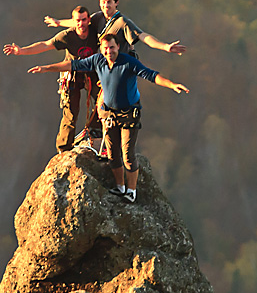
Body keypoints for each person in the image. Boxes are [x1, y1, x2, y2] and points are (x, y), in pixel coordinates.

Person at [27, 33, 189, 202]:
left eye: (112, 47)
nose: (109, 51)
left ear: (118, 46)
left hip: (128, 114)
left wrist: (172, 85)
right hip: (109, 114)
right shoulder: (98, 60)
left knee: (127, 154)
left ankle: (131, 192)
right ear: (101, 49)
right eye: (105, 48)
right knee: (112, 153)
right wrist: (47, 68)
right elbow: (73, 65)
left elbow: (151, 75)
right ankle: (119, 187)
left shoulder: (128, 62)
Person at [4, 6, 101, 153]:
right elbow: (46, 44)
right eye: (77, 21)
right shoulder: (67, 36)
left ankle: (95, 132)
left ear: (88, 20)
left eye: (83, 20)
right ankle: (64, 148)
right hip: (71, 72)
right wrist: (22, 51)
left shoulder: (95, 31)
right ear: (73, 22)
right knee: (70, 112)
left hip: (91, 72)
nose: (80, 24)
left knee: (103, 99)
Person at [45, 0, 186, 58]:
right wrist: (58, 23)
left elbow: (143, 36)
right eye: (103, 3)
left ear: (116, 3)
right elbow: (79, 23)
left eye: (109, 2)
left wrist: (165, 47)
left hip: (120, 64)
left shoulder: (122, 22)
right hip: (103, 63)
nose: (106, 6)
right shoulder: (98, 17)